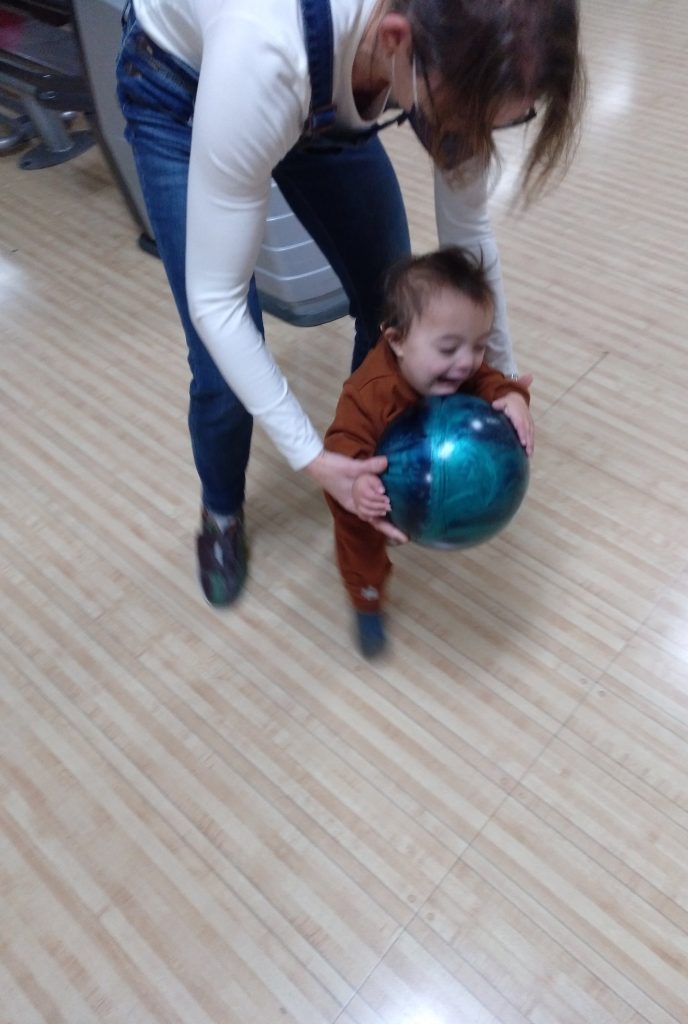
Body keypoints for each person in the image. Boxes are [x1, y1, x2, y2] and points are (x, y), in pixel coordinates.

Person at [116, 0, 584, 607]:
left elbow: (467, 240)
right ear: (395, 39)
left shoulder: (460, 34)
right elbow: (217, 301)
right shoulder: (263, 55)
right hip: (185, 84)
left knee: (395, 302)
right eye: (463, 115)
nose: (468, 138)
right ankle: (221, 512)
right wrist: (313, 457)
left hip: (326, 83)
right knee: (222, 369)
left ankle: (378, 453)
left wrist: (503, 383)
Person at [324, 246, 532, 657]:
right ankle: (366, 597)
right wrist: (359, 483)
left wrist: (512, 396)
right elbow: (341, 446)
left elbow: (489, 381)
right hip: (367, 494)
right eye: (449, 348)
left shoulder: (461, 367)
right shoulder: (369, 392)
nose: (467, 363)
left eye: (479, 345)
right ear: (397, 341)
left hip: (424, 480)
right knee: (359, 542)